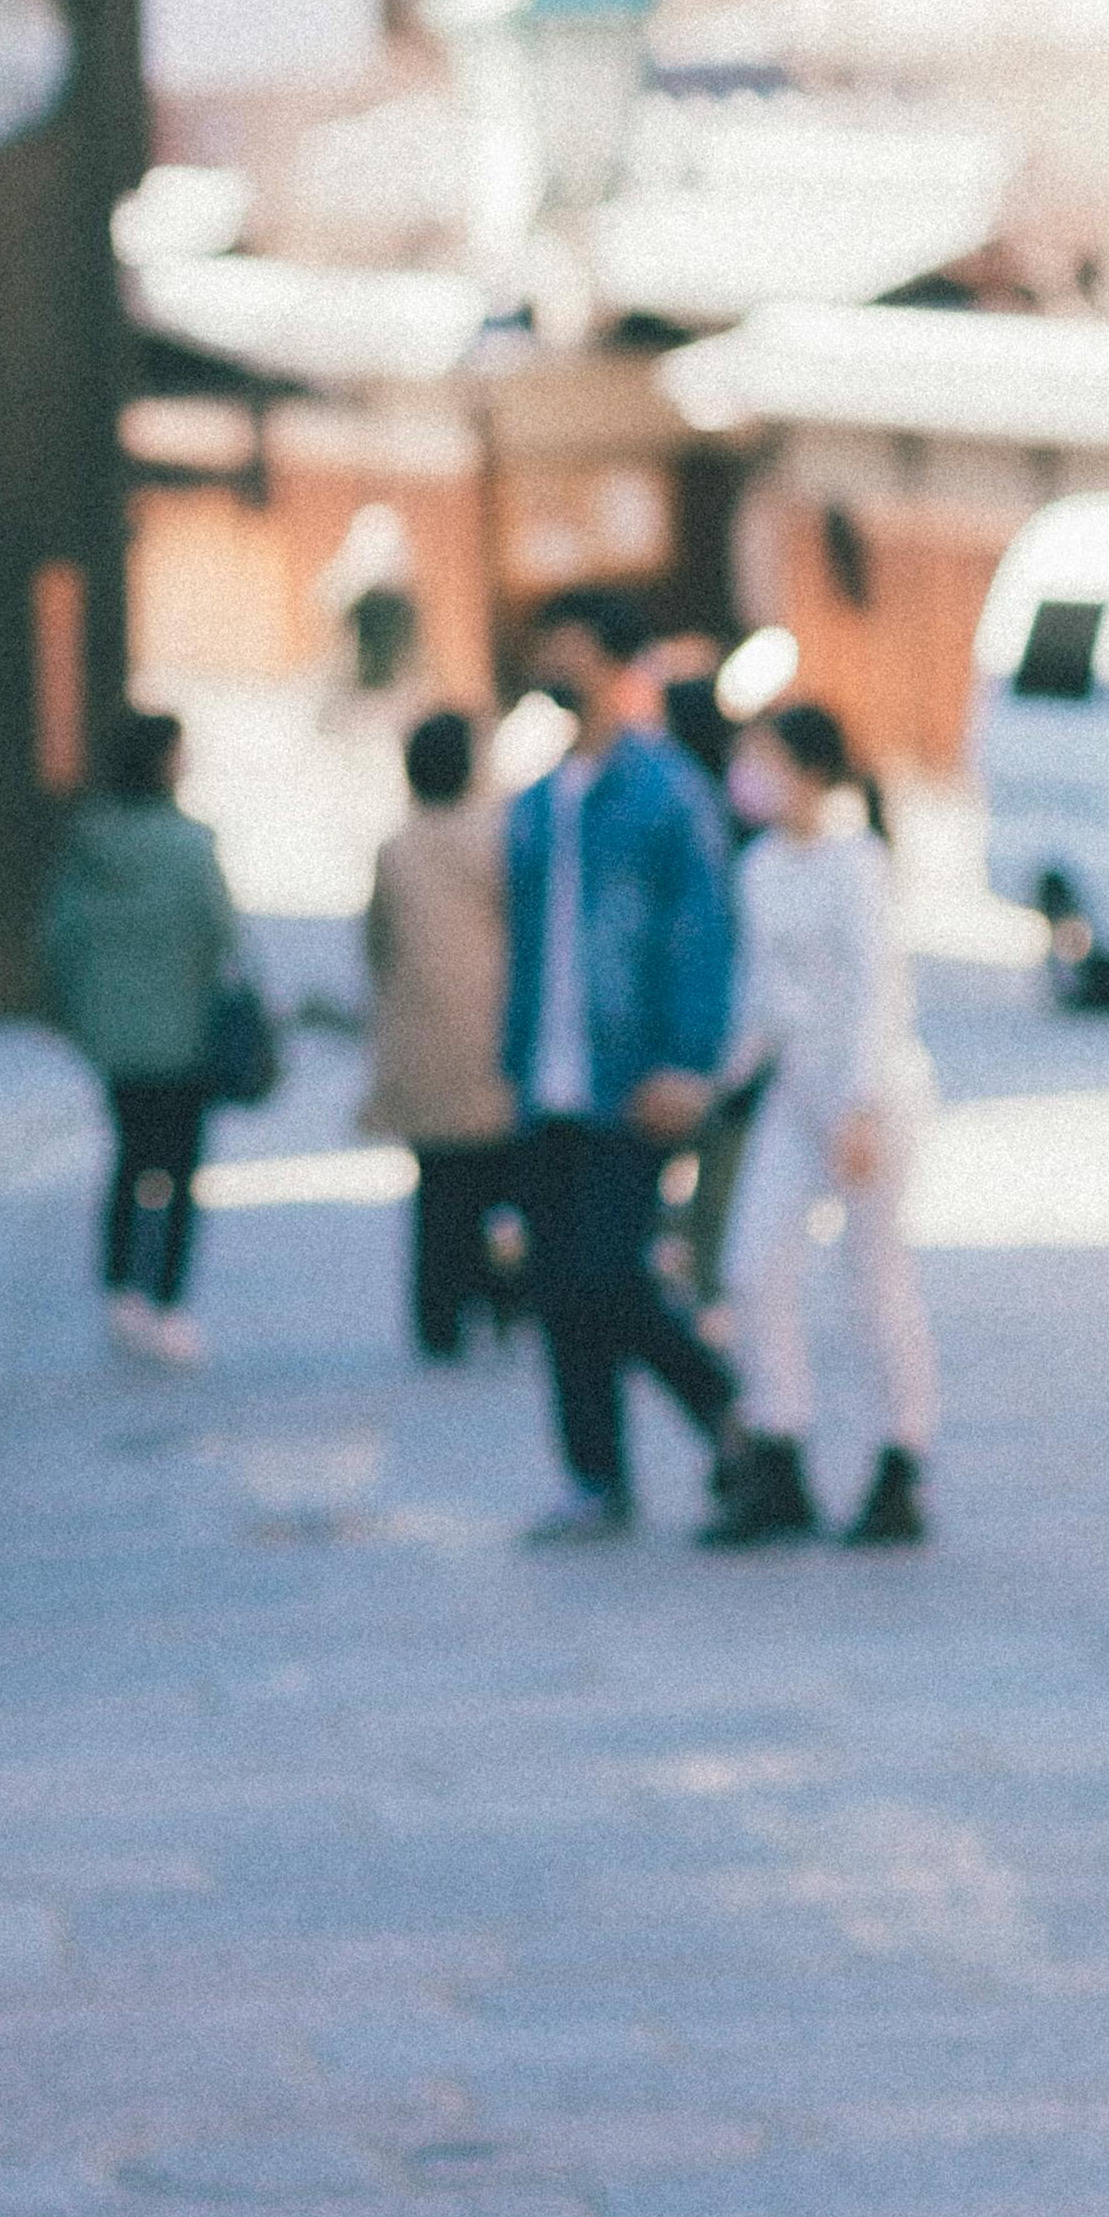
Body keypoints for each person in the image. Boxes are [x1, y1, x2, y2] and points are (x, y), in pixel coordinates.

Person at [501, 589, 744, 1539]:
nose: (550, 667)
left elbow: (701, 937)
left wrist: (689, 1061)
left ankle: (727, 1411)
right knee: (560, 1287)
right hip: (546, 1079)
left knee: (610, 1272)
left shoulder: (667, 793)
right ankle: (595, 1476)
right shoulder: (536, 799)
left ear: (605, 660)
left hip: (631, 1076)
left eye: (562, 647)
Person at [705, 695, 939, 1548]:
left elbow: (878, 990)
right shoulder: (762, 866)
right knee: (751, 1264)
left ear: (806, 767)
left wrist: (862, 1105)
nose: (748, 776)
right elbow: (762, 996)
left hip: (866, 1101)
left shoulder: (857, 861)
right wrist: (719, 1084)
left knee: (871, 1280)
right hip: (792, 1096)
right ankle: (780, 1443)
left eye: (764, 758)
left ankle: (901, 1451)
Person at [36, 703, 237, 1364]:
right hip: (182, 1038)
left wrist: (85, 1010)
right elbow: (219, 937)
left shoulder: (90, 843)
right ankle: (167, 1303)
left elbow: (57, 937)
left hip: (115, 1040)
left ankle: (121, 1292)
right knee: (178, 1171)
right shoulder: (190, 845)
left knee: (128, 1160)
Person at [368, 707, 520, 1355]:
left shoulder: (397, 846)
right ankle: (503, 1297)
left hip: (423, 1033)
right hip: (494, 1028)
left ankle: (439, 1317)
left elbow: (379, 943)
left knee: (437, 1187)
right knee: (502, 1180)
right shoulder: (500, 834)